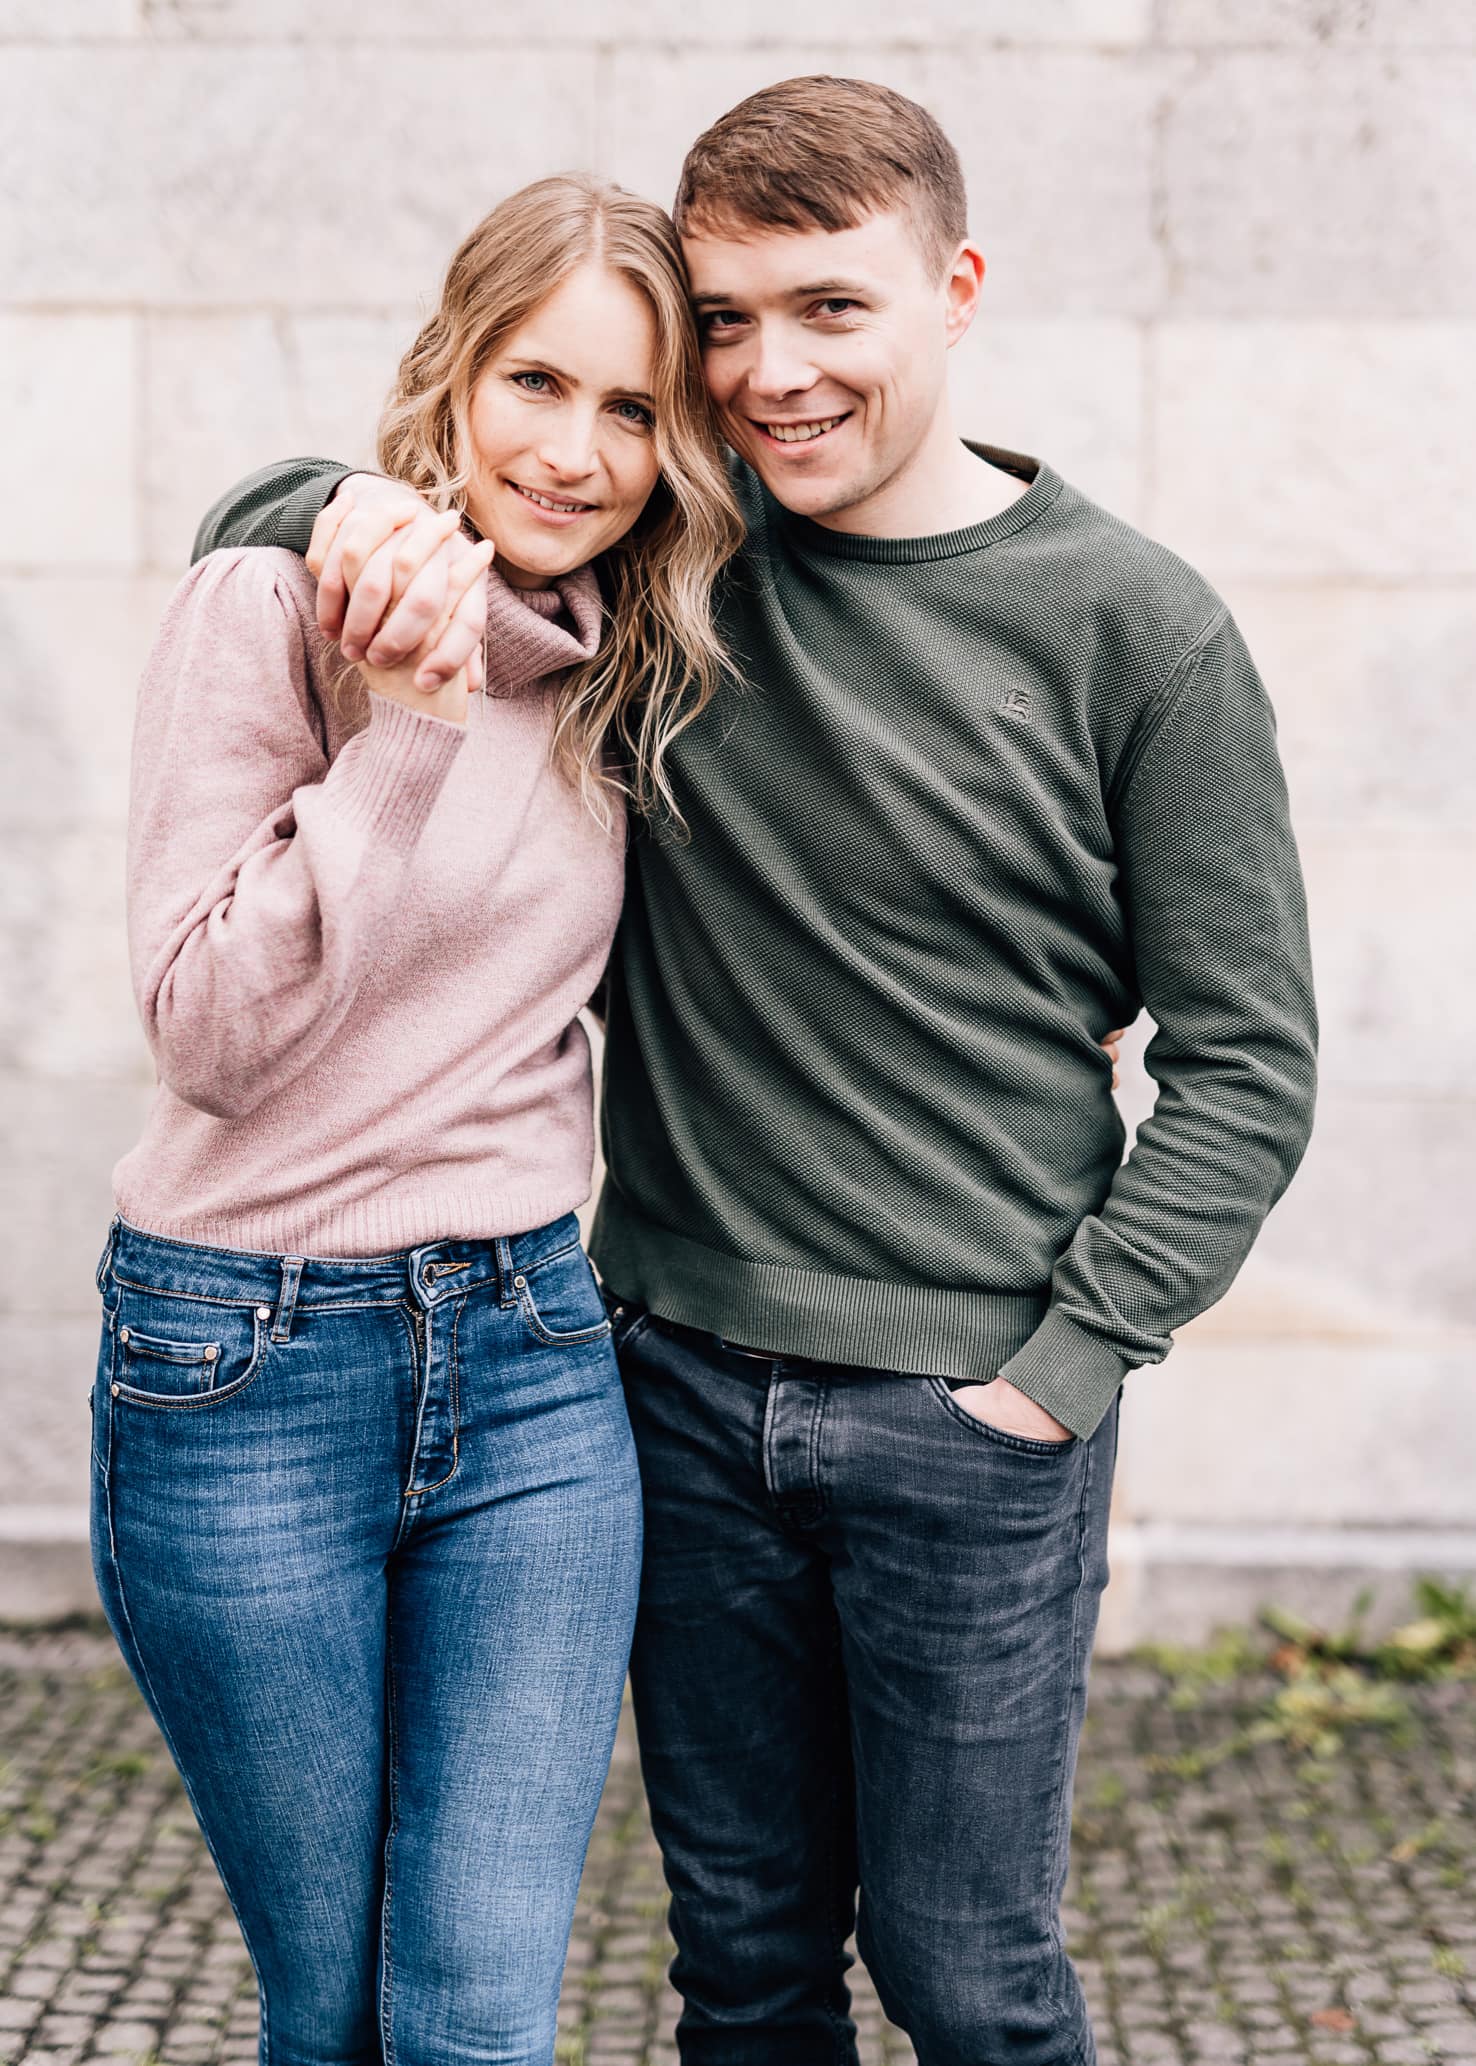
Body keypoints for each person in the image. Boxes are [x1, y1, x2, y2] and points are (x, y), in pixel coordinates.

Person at [194, 76, 1318, 2066]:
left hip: (973, 1425)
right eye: (725, 322)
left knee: (971, 1980)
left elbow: (1248, 1062)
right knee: (747, 1969)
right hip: (675, 1392)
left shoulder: (1139, 631)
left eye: (829, 309)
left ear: (954, 289)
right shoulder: (669, 577)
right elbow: (274, 523)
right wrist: (333, 507)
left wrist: (1061, 1374)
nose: (768, 373)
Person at [91, 172, 744, 2066]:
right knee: (336, 2006)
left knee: (471, 2016)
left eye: (634, 410)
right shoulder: (274, 604)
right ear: (453, 376)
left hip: (537, 1365)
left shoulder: (638, 649)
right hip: (243, 1366)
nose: (575, 450)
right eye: (538, 382)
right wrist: (400, 726)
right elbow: (209, 1028)